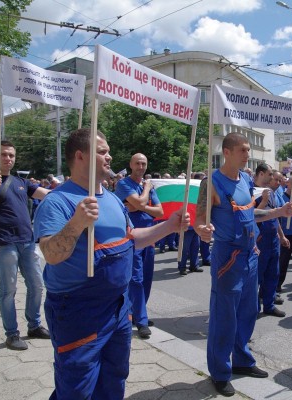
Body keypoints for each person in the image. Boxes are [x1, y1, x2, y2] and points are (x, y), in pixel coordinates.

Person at [33, 128, 189, 399]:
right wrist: (77, 223)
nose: (110, 156)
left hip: (117, 308)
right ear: (81, 156)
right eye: (102, 151)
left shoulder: (113, 200)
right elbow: (51, 254)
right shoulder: (57, 201)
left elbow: (133, 240)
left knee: (114, 379)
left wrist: (169, 226)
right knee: (77, 388)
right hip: (78, 311)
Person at [194, 133, 292, 397]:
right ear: (227, 152)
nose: (247, 154)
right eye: (243, 150)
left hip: (251, 254)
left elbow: (251, 214)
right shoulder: (211, 183)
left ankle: (241, 360)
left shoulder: (246, 180)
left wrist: (278, 213)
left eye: (248, 150)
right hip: (228, 259)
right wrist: (202, 230)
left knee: (248, 312)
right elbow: (199, 219)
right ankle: (219, 372)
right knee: (224, 317)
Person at [0, 140, 51, 351]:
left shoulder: (21, 182)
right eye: (4, 155)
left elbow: (46, 194)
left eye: (11, 156)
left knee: (36, 285)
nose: (8, 159)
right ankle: (12, 333)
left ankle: (34, 325)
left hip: (26, 241)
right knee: (8, 289)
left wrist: (71, 193)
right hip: (3, 243)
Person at [114, 153, 164, 338]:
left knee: (147, 278)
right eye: (137, 163)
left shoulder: (145, 186)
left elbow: (159, 211)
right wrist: (146, 193)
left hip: (149, 236)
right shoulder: (124, 184)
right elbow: (141, 201)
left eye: (144, 163)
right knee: (136, 279)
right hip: (133, 237)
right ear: (131, 165)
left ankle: (137, 313)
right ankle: (142, 321)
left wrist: (139, 205)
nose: (141, 167)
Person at [255, 165, 288, 317]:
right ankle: (253, 308)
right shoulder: (253, 192)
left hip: (273, 239)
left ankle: (269, 304)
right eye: (271, 176)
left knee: (272, 274)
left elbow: (275, 216)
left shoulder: (272, 194)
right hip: (259, 239)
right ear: (261, 174)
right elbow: (251, 216)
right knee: (256, 276)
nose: (275, 181)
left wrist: (281, 236)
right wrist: (263, 201)